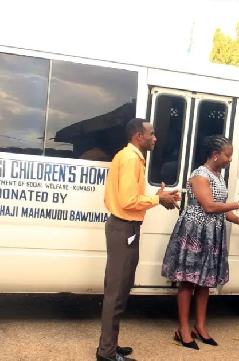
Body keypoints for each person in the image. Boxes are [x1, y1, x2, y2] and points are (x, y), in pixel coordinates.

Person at [96, 118, 181, 361]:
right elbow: (127, 201)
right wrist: (158, 200)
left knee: (119, 289)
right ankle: (106, 353)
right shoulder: (132, 158)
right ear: (138, 137)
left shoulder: (128, 156)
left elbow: (130, 196)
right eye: (151, 134)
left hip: (123, 228)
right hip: (124, 229)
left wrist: (156, 197)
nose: (155, 138)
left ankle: (109, 345)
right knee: (117, 292)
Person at [161, 135, 239, 350]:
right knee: (188, 281)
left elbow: (221, 209)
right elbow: (209, 207)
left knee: (205, 282)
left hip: (212, 232)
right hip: (195, 232)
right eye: (227, 155)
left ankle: (200, 327)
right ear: (215, 155)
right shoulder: (199, 175)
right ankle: (183, 330)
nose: (230, 159)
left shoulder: (218, 175)